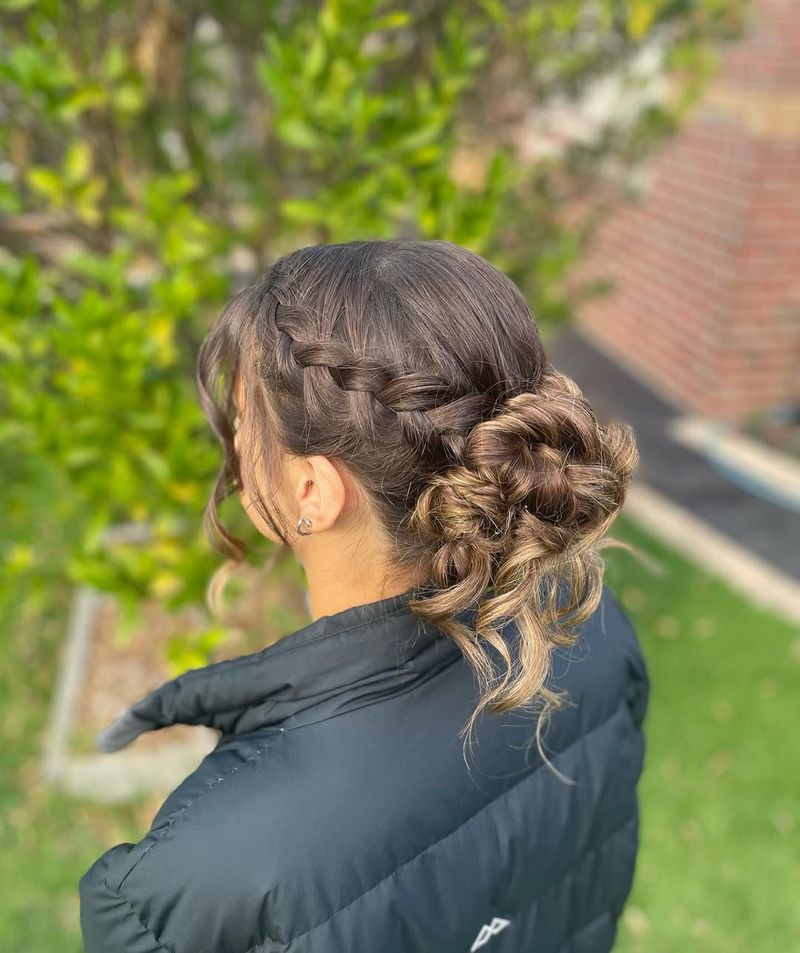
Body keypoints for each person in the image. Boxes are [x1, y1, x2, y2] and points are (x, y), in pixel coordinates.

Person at [78, 239, 650, 953]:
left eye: (247, 417)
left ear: (313, 490)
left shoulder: (210, 871)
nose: (235, 436)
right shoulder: (589, 630)